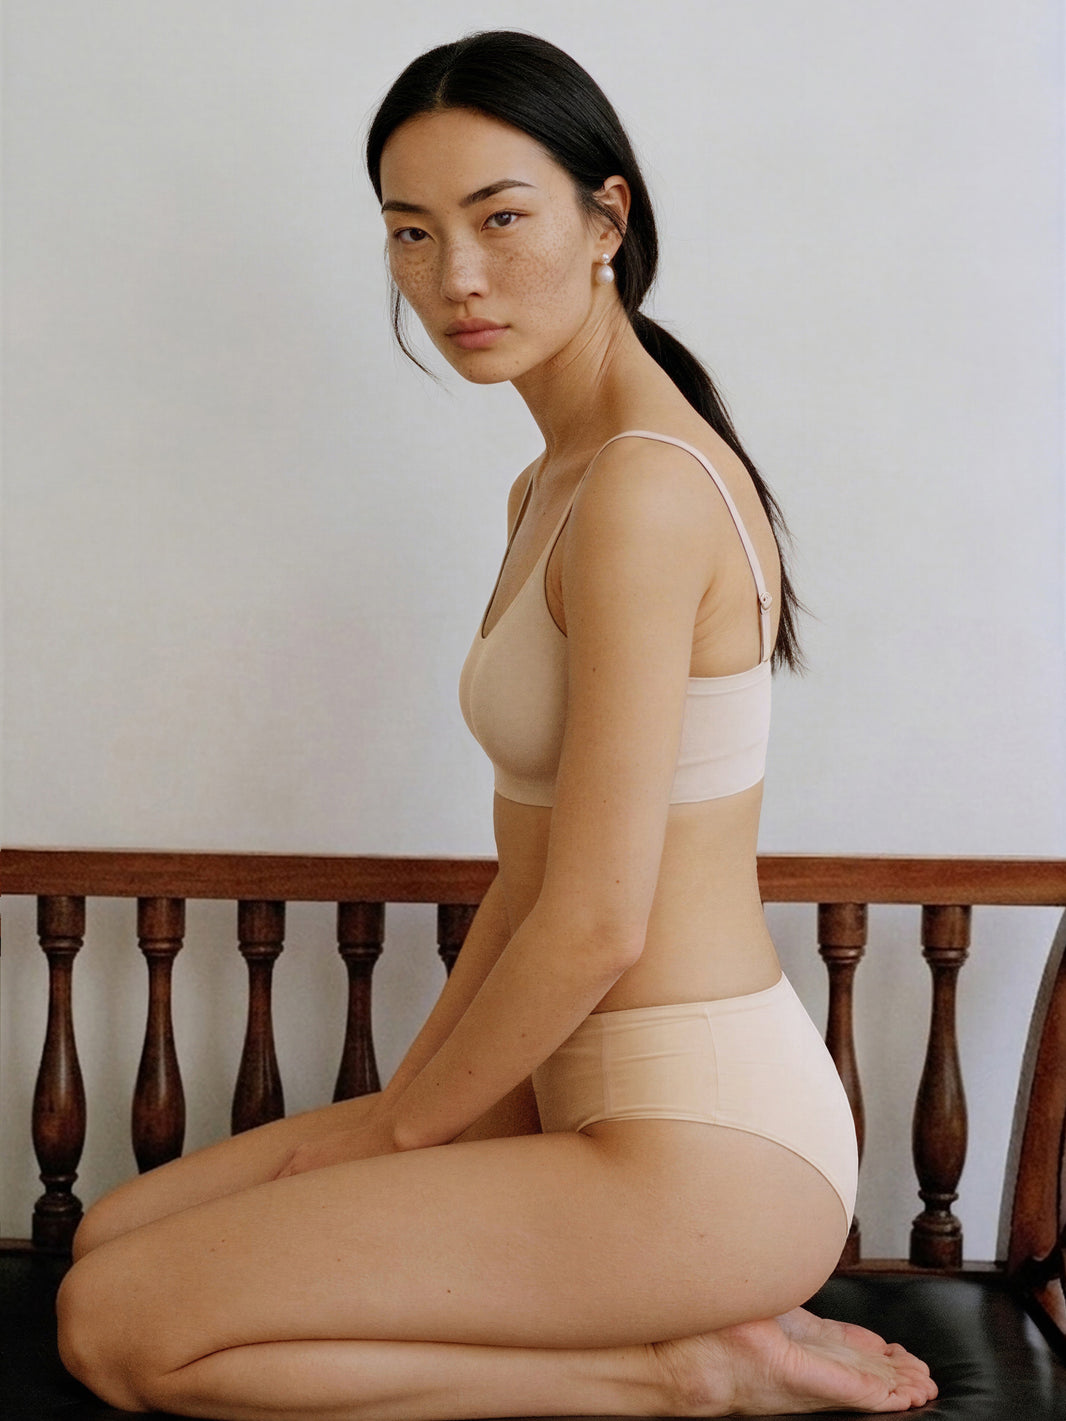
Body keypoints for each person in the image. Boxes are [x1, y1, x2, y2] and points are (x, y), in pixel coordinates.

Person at [56, 31, 937, 1419]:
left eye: (498, 219)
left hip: (701, 1141)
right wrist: (410, 1112)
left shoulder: (644, 491)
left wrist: (394, 1131)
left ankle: (680, 1364)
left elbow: (596, 921)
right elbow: (527, 879)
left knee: (118, 1328)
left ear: (606, 218)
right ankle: (676, 1329)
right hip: (575, 1096)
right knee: (109, 1243)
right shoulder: (555, 482)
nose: (452, 278)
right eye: (411, 233)